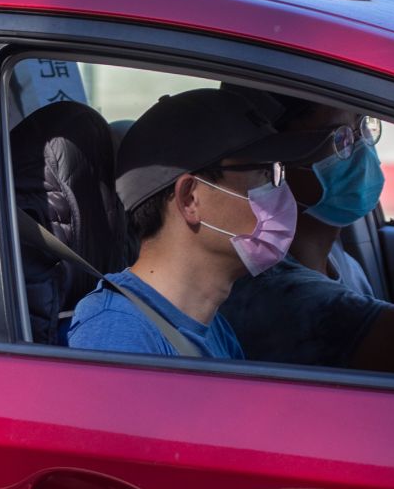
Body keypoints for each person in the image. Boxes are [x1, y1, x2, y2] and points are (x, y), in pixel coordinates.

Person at [220, 87, 394, 377]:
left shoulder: (336, 255)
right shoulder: (277, 295)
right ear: (276, 160)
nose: (363, 148)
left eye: (363, 127)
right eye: (341, 138)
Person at [68, 88, 324, 357]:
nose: (281, 192)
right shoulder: (117, 333)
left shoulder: (213, 327)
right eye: (263, 173)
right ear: (190, 199)